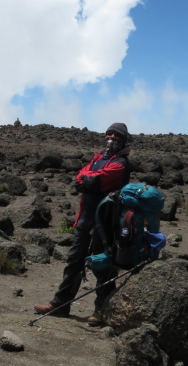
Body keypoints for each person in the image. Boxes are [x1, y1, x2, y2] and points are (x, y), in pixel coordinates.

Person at [33, 122, 132, 326]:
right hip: (85, 218)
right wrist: (86, 179)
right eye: (109, 134)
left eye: (116, 136)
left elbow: (95, 182)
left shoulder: (121, 163)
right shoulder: (98, 158)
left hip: (104, 222)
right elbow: (81, 176)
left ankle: (102, 311)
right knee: (74, 262)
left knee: (102, 265)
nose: (111, 138)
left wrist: (87, 180)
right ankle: (60, 304)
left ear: (123, 140)